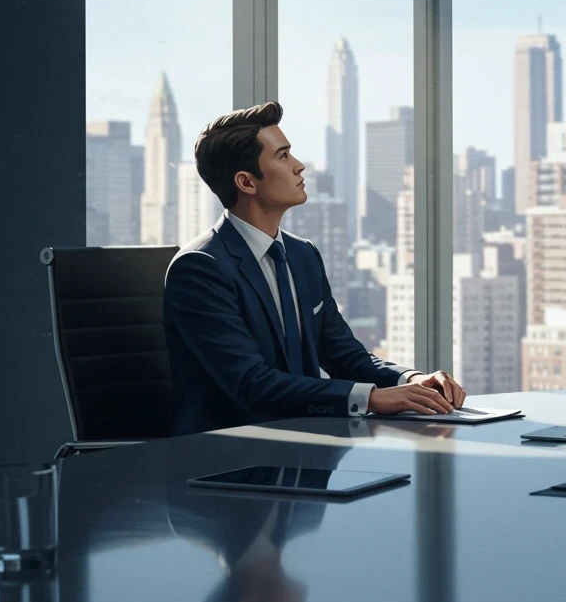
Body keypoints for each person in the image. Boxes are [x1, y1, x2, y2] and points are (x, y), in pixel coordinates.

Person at [164, 101, 466, 435]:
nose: (299, 166)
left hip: (306, 443)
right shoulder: (200, 268)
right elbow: (252, 383)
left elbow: (344, 354)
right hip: (227, 453)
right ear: (247, 182)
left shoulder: (302, 255)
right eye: (283, 156)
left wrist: (410, 379)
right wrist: (373, 398)